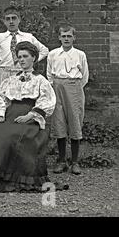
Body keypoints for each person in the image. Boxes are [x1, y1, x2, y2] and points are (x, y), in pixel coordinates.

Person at [0, 41, 56, 193]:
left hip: (30, 116)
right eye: (19, 57)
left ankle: (7, 178)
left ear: (34, 58)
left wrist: (30, 115)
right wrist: (0, 114)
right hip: (10, 114)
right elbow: (2, 100)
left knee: (13, 135)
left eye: (25, 56)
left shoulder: (41, 81)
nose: (21, 60)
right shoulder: (11, 80)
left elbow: (47, 102)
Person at [47, 24, 89, 175]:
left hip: (74, 88)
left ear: (74, 38)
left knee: (75, 122)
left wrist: (73, 87)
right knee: (59, 123)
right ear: (59, 37)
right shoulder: (53, 54)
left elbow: (84, 76)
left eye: (69, 36)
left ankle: (75, 162)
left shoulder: (80, 55)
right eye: (63, 36)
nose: (66, 39)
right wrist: (56, 87)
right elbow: (49, 75)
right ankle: (61, 160)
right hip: (57, 87)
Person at [0, 6, 49, 88]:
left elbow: (44, 50)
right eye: (8, 19)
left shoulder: (28, 37)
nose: (11, 21)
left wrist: (33, 60)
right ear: (4, 21)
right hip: (5, 72)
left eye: (14, 18)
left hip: (23, 71)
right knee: (4, 97)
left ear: (19, 20)